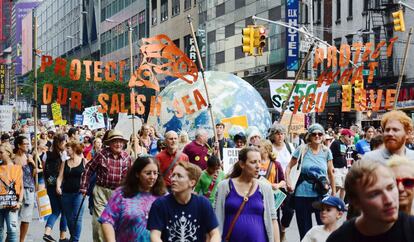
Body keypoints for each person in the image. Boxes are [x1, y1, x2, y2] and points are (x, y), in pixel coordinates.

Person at [327, 159, 414, 242]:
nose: (389, 200)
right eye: (375, 194)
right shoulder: (339, 239)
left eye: (390, 188)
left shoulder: (410, 228)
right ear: (356, 202)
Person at [215, 147, 279, 242]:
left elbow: (273, 219)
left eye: (259, 162)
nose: (258, 166)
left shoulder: (265, 188)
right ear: (242, 164)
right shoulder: (225, 186)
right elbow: (216, 218)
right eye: (253, 162)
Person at [285, 123, 336, 240]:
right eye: (314, 134)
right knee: (305, 232)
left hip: (321, 195)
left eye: (320, 134)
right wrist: (288, 182)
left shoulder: (326, 151)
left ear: (323, 136)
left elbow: (331, 173)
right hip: (302, 195)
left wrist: (333, 193)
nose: (317, 136)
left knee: (323, 231)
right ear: (309, 136)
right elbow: (288, 167)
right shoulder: (302, 149)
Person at [147, 162, 221, 242]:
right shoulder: (159, 205)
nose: (173, 179)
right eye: (173, 175)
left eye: (179, 176)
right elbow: (154, 235)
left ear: (192, 182)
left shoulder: (203, 204)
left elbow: (215, 234)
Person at [80, 130, 132, 242]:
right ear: (110, 143)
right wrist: (84, 186)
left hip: (119, 194)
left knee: (117, 224)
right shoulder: (101, 154)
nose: (118, 144)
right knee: (99, 224)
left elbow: (131, 177)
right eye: (115, 141)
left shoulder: (127, 158)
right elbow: (88, 169)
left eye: (120, 142)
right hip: (101, 192)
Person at [99, 156, 167, 241]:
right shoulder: (121, 194)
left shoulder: (163, 196)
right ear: (137, 174)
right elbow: (107, 220)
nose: (152, 177)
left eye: (155, 173)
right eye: (148, 173)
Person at [56, 141, 87, 242]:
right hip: (66, 194)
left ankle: (74, 240)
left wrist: (86, 188)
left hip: (79, 193)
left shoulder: (84, 161)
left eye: (68, 148)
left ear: (74, 148)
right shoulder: (65, 162)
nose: (66, 150)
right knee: (69, 218)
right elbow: (60, 177)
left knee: (77, 217)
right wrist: (58, 187)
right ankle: (73, 237)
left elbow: (88, 176)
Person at [43, 134, 69, 242]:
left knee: (55, 211)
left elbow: (44, 171)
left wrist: (46, 184)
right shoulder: (64, 155)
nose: (66, 144)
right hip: (61, 186)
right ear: (60, 143)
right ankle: (62, 237)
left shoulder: (46, 155)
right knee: (64, 211)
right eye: (64, 142)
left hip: (50, 185)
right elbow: (64, 172)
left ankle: (47, 232)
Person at [13, 136, 36, 242]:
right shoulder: (12, 158)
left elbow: (36, 173)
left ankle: (22, 240)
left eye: (28, 144)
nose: (27, 145)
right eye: (25, 144)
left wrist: (33, 163)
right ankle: (12, 237)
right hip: (15, 190)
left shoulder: (29, 156)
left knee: (26, 218)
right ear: (19, 145)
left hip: (29, 190)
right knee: (13, 217)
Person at [0, 145, 23, 242]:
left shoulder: (17, 168)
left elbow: (21, 187)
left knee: (12, 232)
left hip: (13, 204)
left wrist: (20, 202)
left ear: (8, 153)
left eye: (1, 152)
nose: (0, 154)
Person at [329, 129, 354, 200]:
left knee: (344, 186)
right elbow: (330, 155)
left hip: (344, 167)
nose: (350, 138)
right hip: (336, 167)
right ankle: (329, 200)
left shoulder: (345, 144)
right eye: (349, 136)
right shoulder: (335, 143)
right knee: (337, 185)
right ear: (345, 136)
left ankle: (341, 203)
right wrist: (331, 166)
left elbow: (344, 154)